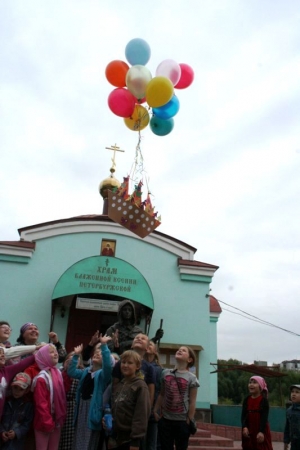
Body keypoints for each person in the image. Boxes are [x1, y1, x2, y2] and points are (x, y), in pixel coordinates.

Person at [67, 334, 113, 450]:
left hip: (92, 409)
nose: (98, 354)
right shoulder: (86, 371)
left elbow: (108, 366)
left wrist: (104, 346)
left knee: (89, 439)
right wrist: (76, 356)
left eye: (101, 354)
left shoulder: (103, 375)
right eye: (96, 353)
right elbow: (71, 372)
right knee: (78, 436)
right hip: (82, 406)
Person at [154, 346, 200, 450]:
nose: (180, 350)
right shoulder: (165, 373)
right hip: (165, 419)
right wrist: (155, 410)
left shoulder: (192, 378)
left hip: (182, 421)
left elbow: (192, 401)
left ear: (189, 359)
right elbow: (162, 394)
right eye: (179, 349)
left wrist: (189, 419)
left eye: (184, 350)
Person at [109, 350, 151, 450]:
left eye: (130, 363)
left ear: (137, 366)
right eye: (123, 362)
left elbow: (141, 415)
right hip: (115, 438)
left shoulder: (140, 386)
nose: (125, 365)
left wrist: (135, 441)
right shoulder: (120, 384)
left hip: (129, 440)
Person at [31, 344, 67, 450]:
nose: (56, 353)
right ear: (44, 356)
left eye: (56, 351)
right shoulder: (41, 378)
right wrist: (47, 422)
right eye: (51, 352)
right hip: (44, 422)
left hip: (56, 420)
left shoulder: (57, 373)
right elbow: (41, 403)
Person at [0, 347, 35, 422]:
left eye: (3, 354)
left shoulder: (5, 372)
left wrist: (38, 351)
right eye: (0, 353)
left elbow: (22, 364)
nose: (3, 355)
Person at [0, 372, 34, 450]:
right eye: (15, 388)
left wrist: (16, 433)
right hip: (3, 442)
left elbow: (27, 424)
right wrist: (2, 432)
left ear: (26, 390)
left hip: (17, 443)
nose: (17, 391)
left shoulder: (28, 405)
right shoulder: (5, 402)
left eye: (21, 389)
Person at [58, 352, 83, 450]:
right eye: (69, 360)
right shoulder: (59, 373)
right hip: (60, 405)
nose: (72, 363)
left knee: (70, 436)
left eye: (75, 360)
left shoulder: (81, 374)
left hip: (73, 407)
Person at [241, 376, 273, 450]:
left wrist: (261, 432)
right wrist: (244, 427)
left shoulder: (264, 400)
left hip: (260, 429)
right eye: (250, 382)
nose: (251, 384)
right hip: (249, 430)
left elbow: (264, 417)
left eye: (255, 382)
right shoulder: (246, 399)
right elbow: (243, 415)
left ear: (260, 386)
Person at [144, 340, 163, 450]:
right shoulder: (139, 365)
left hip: (154, 406)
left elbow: (161, 390)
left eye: (150, 345)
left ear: (155, 351)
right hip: (141, 405)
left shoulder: (159, 369)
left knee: (152, 441)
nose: (148, 346)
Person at [284, 384, 300, 450]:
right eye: (292, 392)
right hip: (293, 443)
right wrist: (286, 441)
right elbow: (287, 427)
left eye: (297, 392)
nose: (293, 394)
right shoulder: (289, 410)